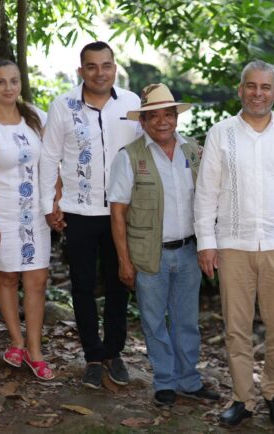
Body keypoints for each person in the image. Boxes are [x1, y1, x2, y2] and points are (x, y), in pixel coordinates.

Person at [194, 60, 274, 427]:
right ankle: (242, 398)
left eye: (266, 87)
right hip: (233, 244)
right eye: (252, 86)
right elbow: (206, 193)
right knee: (236, 327)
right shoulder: (221, 134)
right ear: (241, 90)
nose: (258, 93)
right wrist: (206, 242)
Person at [109, 83, 220, 407]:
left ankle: (189, 380)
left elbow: (212, 199)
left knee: (187, 321)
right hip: (148, 254)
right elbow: (118, 212)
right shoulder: (130, 157)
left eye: (168, 115)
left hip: (188, 251)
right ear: (142, 122)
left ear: (176, 118)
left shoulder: (194, 152)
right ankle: (164, 382)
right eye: (153, 116)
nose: (162, 122)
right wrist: (124, 261)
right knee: (154, 321)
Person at [39, 41, 141, 389]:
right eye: (92, 66)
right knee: (82, 286)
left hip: (120, 211)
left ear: (115, 68)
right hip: (78, 212)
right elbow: (49, 157)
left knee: (119, 283)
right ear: (81, 70)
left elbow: (148, 150)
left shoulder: (132, 104)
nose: (100, 73)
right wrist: (49, 206)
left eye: (106, 65)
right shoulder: (62, 106)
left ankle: (114, 352)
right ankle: (92, 356)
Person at [0, 59, 53, 381]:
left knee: (37, 281)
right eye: (1, 82)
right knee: (7, 278)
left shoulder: (35, 117)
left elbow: (53, 159)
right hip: (1, 215)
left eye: (14, 81)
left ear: (20, 84)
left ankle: (35, 351)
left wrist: (54, 201)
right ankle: (16, 341)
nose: (8, 88)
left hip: (35, 216)